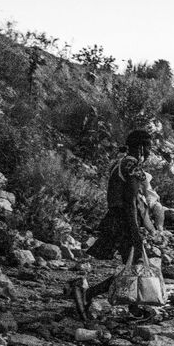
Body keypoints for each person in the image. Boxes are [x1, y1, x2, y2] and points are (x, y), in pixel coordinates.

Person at [67, 127, 155, 322]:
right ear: (140, 147)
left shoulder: (120, 163)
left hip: (116, 219)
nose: (150, 152)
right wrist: (136, 233)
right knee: (134, 266)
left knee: (132, 266)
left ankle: (135, 307)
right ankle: (87, 294)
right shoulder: (132, 166)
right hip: (124, 221)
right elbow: (130, 203)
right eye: (148, 147)